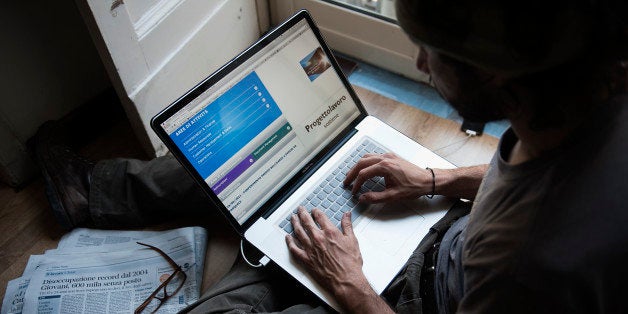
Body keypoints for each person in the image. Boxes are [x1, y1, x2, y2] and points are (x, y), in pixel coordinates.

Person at [32, 0, 627, 313]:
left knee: (246, 279)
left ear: (496, 72)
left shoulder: (525, 268)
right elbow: (518, 175)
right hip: (455, 238)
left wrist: (349, 285)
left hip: (418, 298)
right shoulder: (594, 92)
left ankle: (266, 267)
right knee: (279, 159)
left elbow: (521, 238)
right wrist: (436, 178)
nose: (421, 65)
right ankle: (98, 192)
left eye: (431, 52)